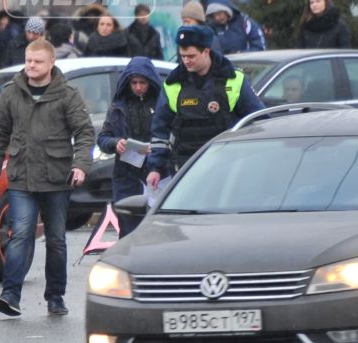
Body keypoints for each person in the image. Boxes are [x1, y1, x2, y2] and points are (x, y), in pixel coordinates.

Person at [0, 39, 94, 318]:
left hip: (56, 178)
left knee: (56, 240)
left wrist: (81, 165)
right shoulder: (11, 93)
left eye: (38, 61)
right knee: (19, 235)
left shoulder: (67, 94)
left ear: (51, 63)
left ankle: (56, 296)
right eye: (28, 60)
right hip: (21, 177)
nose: (31, 66)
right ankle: (10, 295)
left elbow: (84, 133)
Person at [146, 24, 267, 193]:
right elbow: (160, 131)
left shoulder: (234, 80)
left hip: (228, 169)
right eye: (182, 56)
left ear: (206, 51)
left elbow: (258, 121)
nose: (186, 61)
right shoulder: (173, 85)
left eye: (191, 56)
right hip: (186, 169)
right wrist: (155, 168)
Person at [98, 57, 165, 231]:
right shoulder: (118, 106)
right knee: (128, 227)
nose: (138, 87)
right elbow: (103, 138)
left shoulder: (162, 104)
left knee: (157, 228)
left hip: (157, 173)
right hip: (126, 174)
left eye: (142, 82)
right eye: (134, 82)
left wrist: (157, 148)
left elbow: (170, 134)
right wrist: (116, 143)